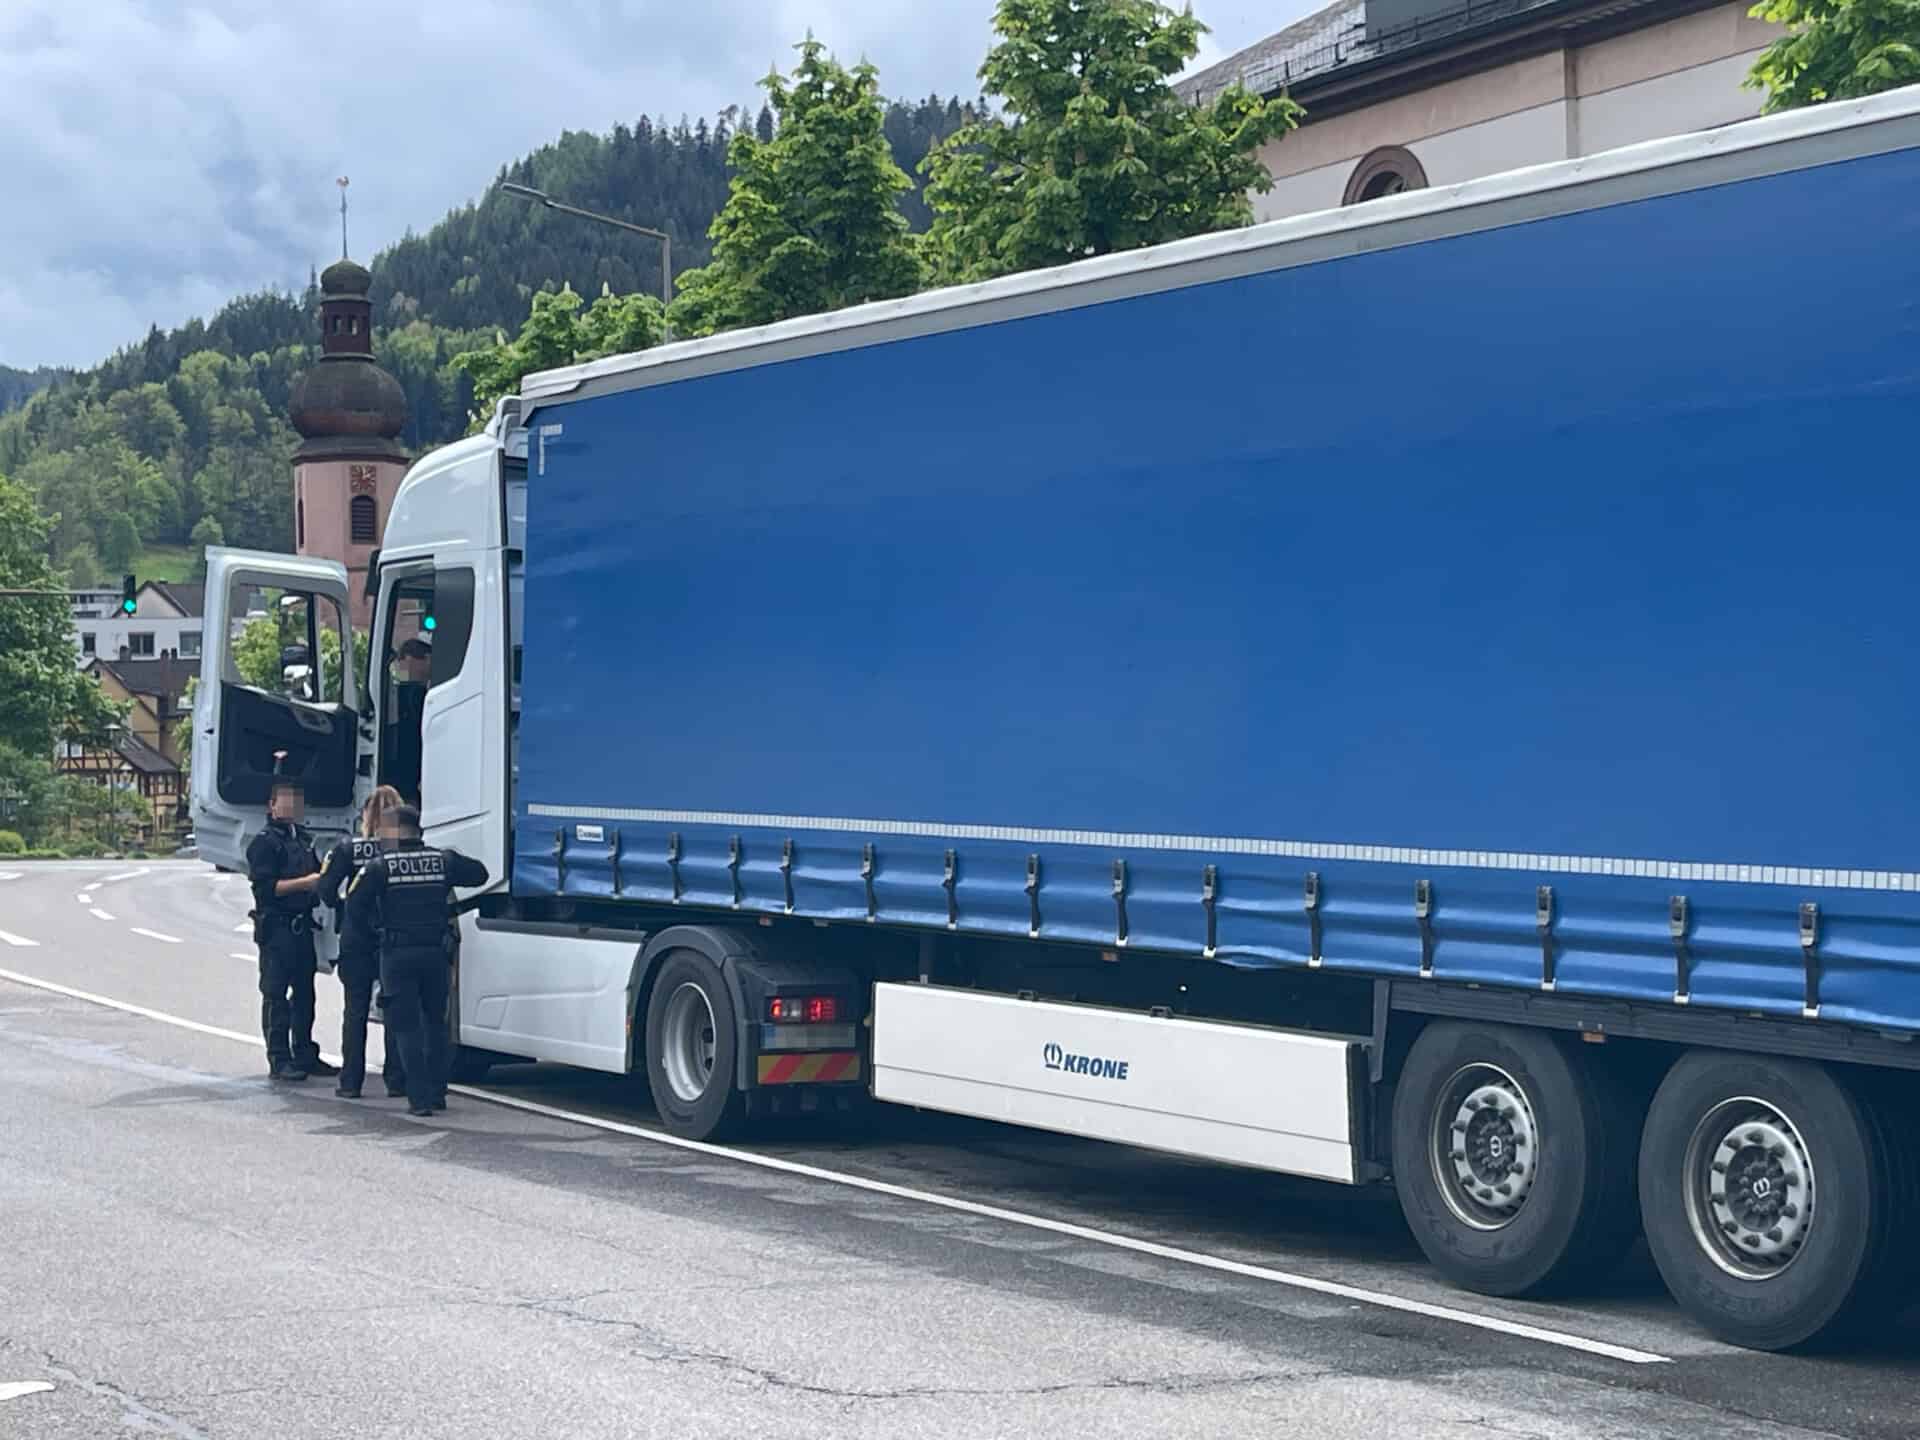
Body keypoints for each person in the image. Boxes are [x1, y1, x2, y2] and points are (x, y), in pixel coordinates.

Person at [345, 804, 488, 1116]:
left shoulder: (380, 867)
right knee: (435, 1023)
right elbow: (480, 874)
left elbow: (354, 909)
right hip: (436, 954)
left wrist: (376, 934)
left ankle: (419, 1099)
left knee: (406, 1026)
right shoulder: (443, 860)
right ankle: (437, 1093)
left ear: (393, 832)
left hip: (397, 955)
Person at [246, 775, 338, 1083]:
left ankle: (304, 1054)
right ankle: (279, 1058)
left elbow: (319, 876)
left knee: (305, 995)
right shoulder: (264, 843)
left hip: (302, 926)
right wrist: (306, 883)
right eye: (285, 802)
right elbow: (266, 890)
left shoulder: (303, 839)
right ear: (272, 806)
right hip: (277, 928)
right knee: (276, 995)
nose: (291, 807)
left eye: (295, 802)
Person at [316, 784, 406, 1099]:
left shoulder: (347, 849)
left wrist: (344, 907)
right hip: (391, 937)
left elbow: (325, 888)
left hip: (356, 938)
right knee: (394, 1008)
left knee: (355, 1010)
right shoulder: (402, 851)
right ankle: (396, 1079)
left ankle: (351, 1081)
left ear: (366, 815)